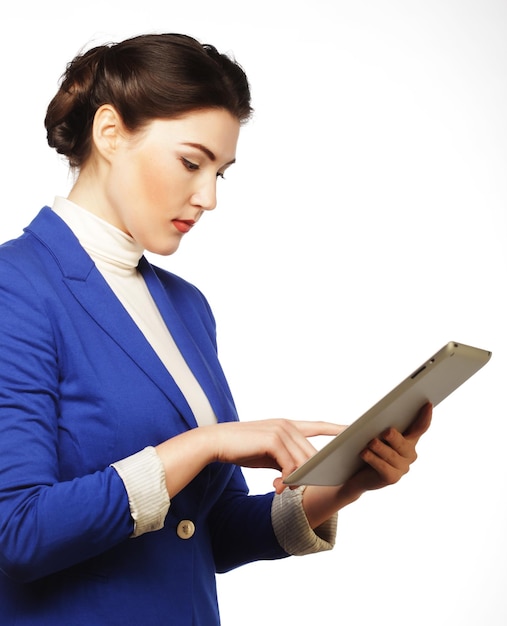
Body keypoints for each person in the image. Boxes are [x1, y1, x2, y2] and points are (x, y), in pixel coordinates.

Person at [0, 33, 432, 625]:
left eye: (220, 174)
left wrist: (343, 484)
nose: (207, 197)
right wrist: (203, 443)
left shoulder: (187, 308)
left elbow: (211, 532)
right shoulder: (15, 286)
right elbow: (18, 533)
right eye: (190, 161)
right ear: (109, 134)